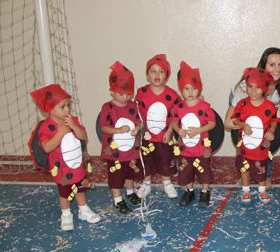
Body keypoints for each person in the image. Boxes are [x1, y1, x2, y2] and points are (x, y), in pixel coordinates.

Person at [225, 47, 280, 187]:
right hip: (246, 126)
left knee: (268, 135)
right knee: (245, 149)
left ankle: (266, 172)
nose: (277, 69)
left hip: (267, 126)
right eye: (272, 64)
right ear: (263, 65)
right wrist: (245, 127)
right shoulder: (246, 85)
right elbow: (228, 123)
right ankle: (245, 170)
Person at [30, 84, 101, 231]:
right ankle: (66, 214)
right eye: (62, 107)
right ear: (49, 109)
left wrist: (75, 127)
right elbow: (47, 147)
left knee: (80, 189)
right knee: (65, 193)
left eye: (68, 105)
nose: (67, 109)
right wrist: (59, 133)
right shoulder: (46, 127)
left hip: (77, 166)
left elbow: (83, 137)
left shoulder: (71, 119)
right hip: (62, 170)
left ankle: (84, 210)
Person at [99, 61, 143, 215]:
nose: (125, 97)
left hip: (130, 149)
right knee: (117, 176)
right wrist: (117, 130)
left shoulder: (133, 106)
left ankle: (130, 192)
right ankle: (117, 199)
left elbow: (139, 121)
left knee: (130, 173)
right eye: (121, 94)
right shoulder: (108, 108)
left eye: (128, 94)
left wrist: (137, 128)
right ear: (112, 91)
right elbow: (103, 127)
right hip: (115, 151)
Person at [231, 67, 280, 204]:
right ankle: (245, 190)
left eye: (257, 87)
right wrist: (242, 125)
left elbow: (275, 120)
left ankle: (262, 191)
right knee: (244, 169)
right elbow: (234, 119)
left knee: (261, 170)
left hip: (261, 149)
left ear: (264, 88)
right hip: (245, 147)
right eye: (250, 87)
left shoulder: (269, 106)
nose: (253, 91)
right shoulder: (242, 104)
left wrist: (271, 131)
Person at [135, 54, 181, 199]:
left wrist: (170, 130)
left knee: (165, 160)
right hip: (147, 136)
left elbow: (176, 115)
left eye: (161, 71)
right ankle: (146, 183)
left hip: (164, 137)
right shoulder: (141, 93)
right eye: (153, 71)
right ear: (147, 75)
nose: (157, 74)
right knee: (146, 160)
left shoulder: (172, 95)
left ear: (166, 76)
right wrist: (139, 129)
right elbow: (137, 113)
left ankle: (167, 183)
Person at [171, 61, 216, 207]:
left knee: (204, 172)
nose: (190, 92)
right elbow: (173, 122)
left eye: (194, 88)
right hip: (185, 149)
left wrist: (198, 130)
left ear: (199, 89)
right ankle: (189, 191)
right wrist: (178, 131)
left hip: (201, 149)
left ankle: (205, 192)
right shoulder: (178, 108)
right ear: (181, 90)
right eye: (186, 89)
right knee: (186, 171)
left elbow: (212, 123)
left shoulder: (205, 107)